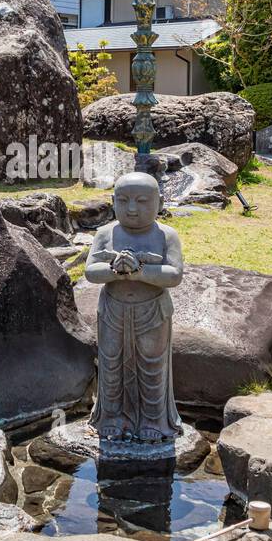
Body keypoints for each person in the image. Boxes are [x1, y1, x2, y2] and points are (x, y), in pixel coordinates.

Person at [83, 172, 184, 443]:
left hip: (151, 312)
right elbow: (91, 271)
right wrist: (116, 269)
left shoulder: (166, 235)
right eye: (123, 200)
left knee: (152, 367)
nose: (131, 209)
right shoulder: (106, 233)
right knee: (110, 365)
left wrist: (138, 270)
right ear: (112, 201)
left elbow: (174, 275)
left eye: (141, 201)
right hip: (113, 310)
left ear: (159, 203)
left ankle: (153, 420)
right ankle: (112, 417)